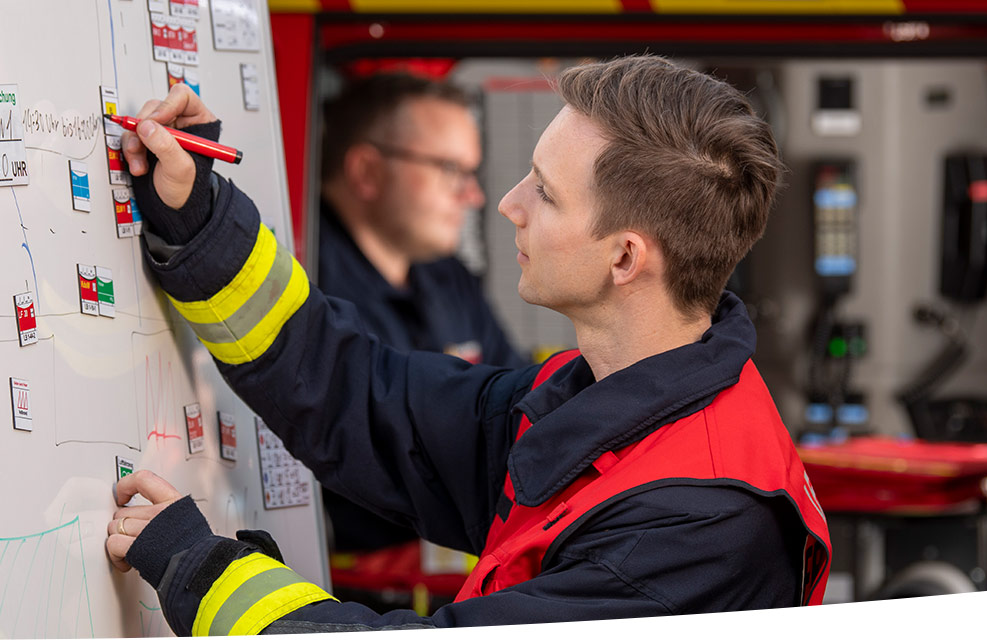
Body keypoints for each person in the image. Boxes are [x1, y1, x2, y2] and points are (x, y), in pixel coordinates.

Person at [105, 55, 831, 633]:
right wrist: (197, 216)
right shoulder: (601, 407)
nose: (507, 202)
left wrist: (198, 568)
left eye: (544, 192)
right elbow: (354, 395)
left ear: (624, 259)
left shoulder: (691, 530)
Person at [313, 72, 524, 560]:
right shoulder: (305, 278)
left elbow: (519, 419)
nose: (473, 196)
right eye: (451, 169)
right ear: (367, 171)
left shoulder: (447, 278)